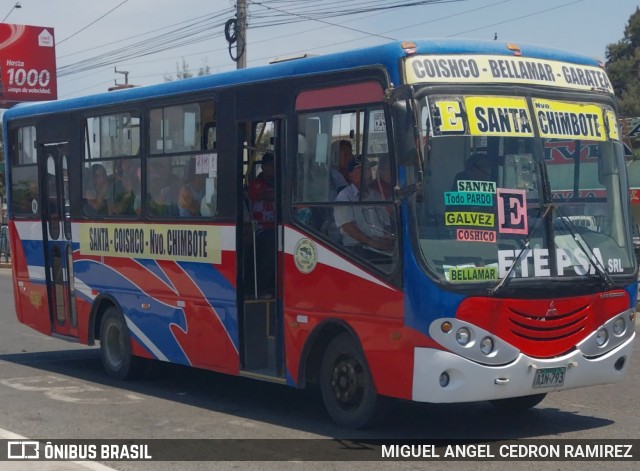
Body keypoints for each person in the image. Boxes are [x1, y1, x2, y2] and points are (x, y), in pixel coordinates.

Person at [334, 156, 395, 256]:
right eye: (362, 170)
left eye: (369, 169)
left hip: (379, 247)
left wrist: (388, 237)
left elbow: (386, 222)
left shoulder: (375, 195)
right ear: (351, 176)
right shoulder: (344, 197)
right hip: (357, 250)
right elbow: (347, 227)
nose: (368, 174)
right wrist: (370, 242)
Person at [248, 152, 276, 297]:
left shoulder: (278, 183)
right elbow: (264, 195)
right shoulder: (256, 184)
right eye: (271, 165)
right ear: (264, 167)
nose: (274, 168)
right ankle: (262, 287)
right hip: (260, 229)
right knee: (270, 241)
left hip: (277, 226)